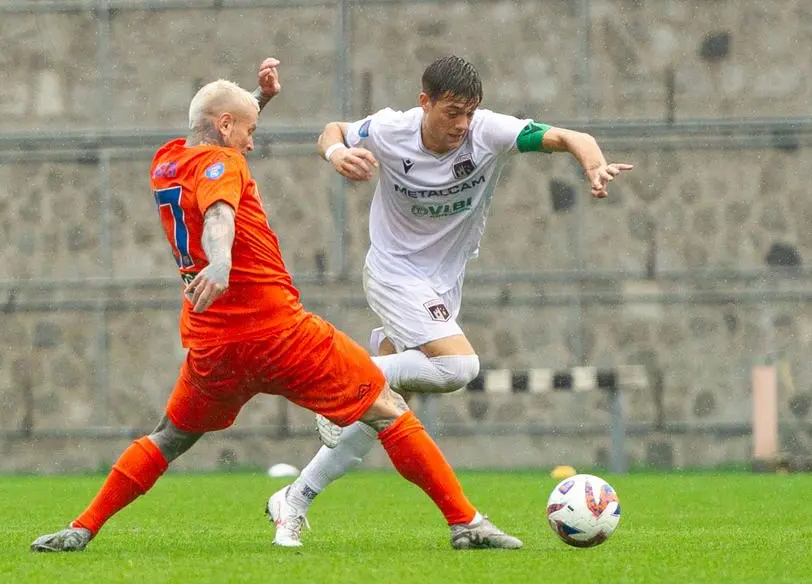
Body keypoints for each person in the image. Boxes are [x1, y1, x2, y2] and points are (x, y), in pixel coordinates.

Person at [30, 57, 521, 553]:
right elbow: (220, 210)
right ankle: (465, 524)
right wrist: (220, 262)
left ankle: (82, 528)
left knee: (167, 438)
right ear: (226, 127)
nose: (252, 140)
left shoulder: (167, 161)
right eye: (249, 130)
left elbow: (215, 136)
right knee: (389, 410)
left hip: (212, 346)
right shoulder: (226, 165)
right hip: (279, 334)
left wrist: (257, 99)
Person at [267, 55, 633, 545]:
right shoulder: (391, 129)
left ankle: (293, 499)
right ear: (426, 103)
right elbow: (331, 131)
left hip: (443, 283)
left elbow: (571, 137)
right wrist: (336, 155)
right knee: (460, 368)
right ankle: (346, 377)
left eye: (469, 112)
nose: (462, 124)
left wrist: (593, 166)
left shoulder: (490, 132)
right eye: (452, 112)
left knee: (381, 414)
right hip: (395, 271)